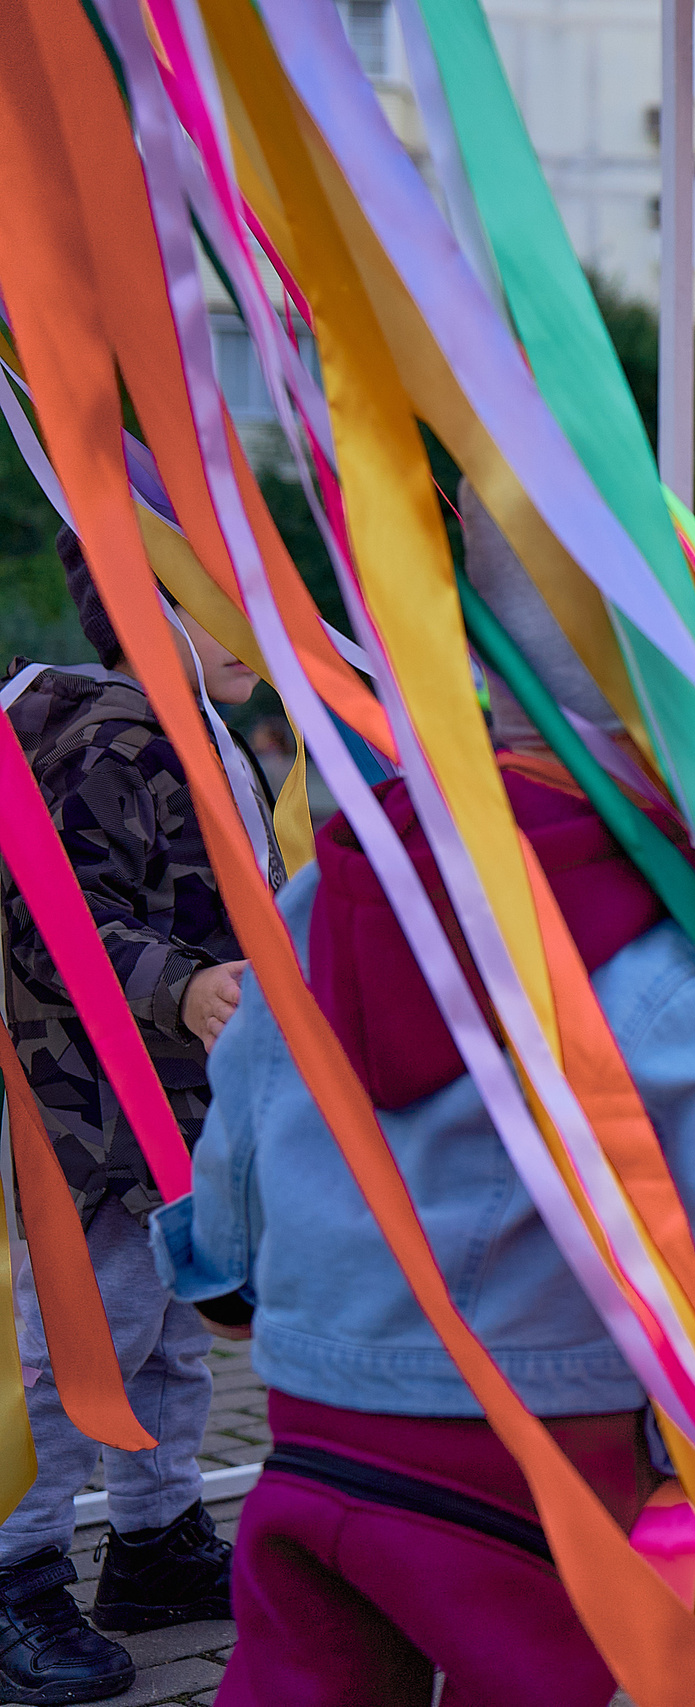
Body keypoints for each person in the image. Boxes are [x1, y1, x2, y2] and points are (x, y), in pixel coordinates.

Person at [151, 495, 695, 1706]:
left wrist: (221, 1267)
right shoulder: (669, 958)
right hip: (537, 1442)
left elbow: (244, 1094)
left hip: (317, 1406)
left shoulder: (340, 883)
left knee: (304, 1676)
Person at [0, 532, 282, 1705]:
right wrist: (183, 984)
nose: (255, 631)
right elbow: (51, 918)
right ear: (138, 606)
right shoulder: (100, 739)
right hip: (98, 1117)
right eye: (224, 604)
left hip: (184, 1112)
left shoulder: (203, 740)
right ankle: (17, 1570)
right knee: (81, 1345)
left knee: (168, 1335)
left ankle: (157, 1542)